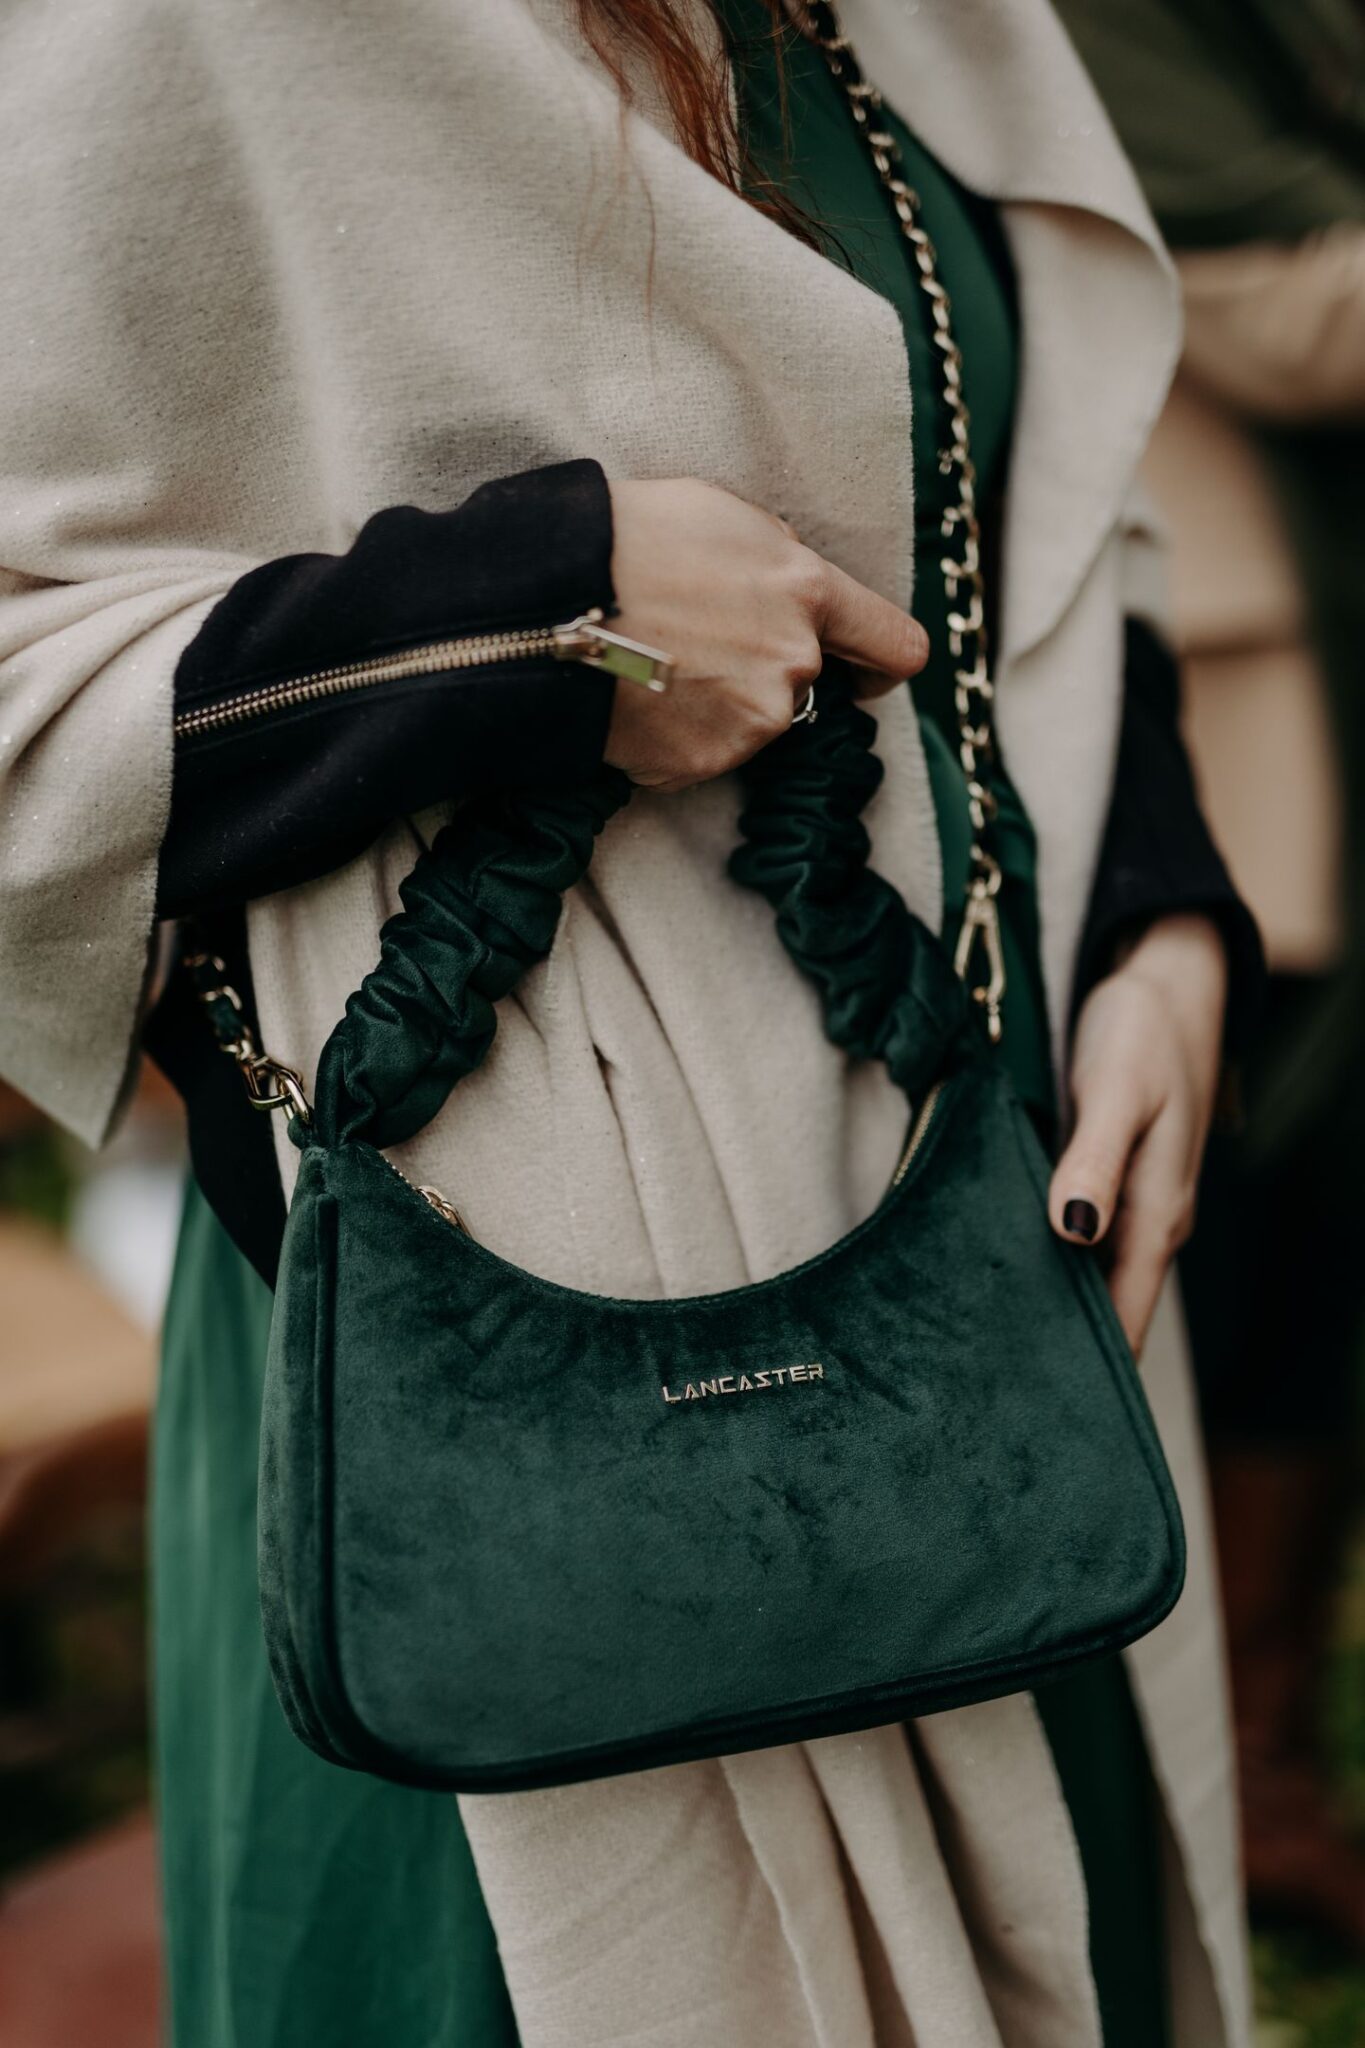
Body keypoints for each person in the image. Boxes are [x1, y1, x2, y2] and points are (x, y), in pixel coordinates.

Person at [0, 2, 1260, 2043]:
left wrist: (1155, 934)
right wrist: (545, 619)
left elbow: (1031, 529)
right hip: (508, 1405)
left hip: (983, 1303)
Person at [1054, 0, 1365, 1950]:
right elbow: (1272, 294)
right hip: (1250, 664)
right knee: (1258, 1195)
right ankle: (1220, 1758)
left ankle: (1263, 1746)